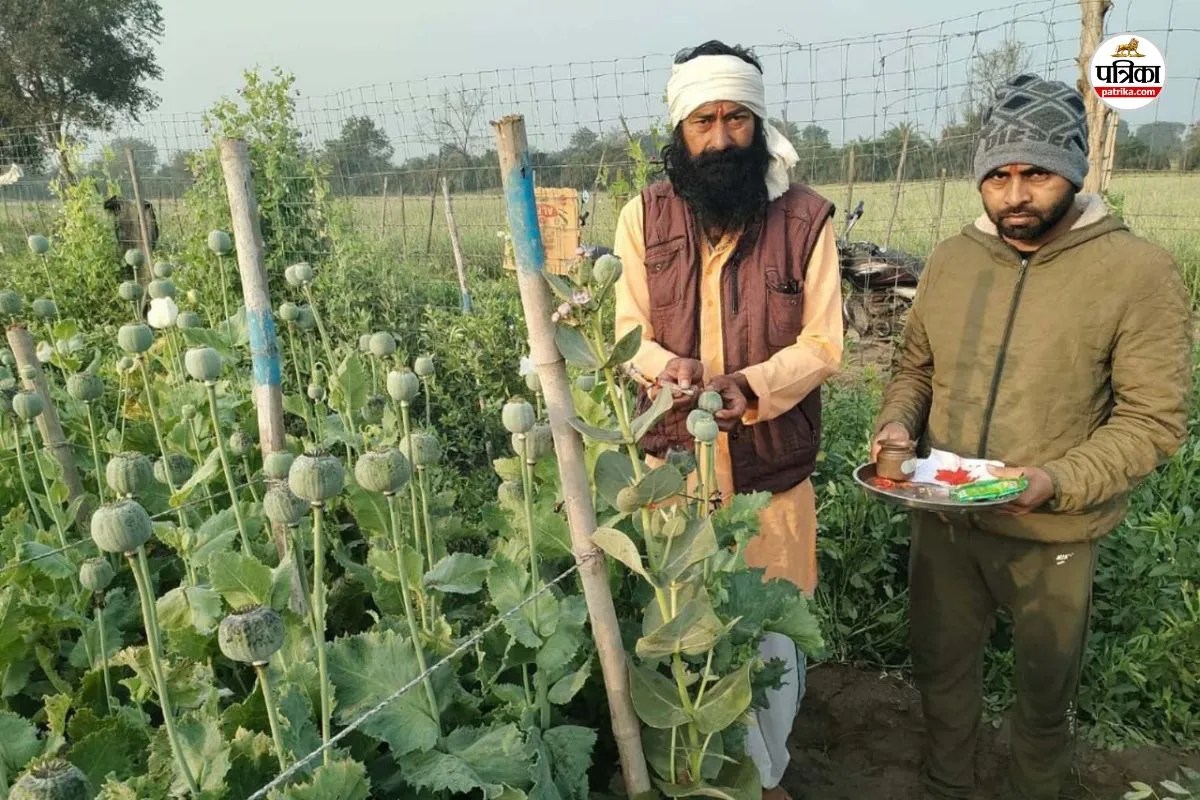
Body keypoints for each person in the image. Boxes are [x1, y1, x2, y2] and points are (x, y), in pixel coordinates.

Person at [870, 73, 1193, 800]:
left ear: (1075, 170)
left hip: (1053, 531)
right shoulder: (952, 260)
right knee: (940, 672)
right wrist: (897, 422)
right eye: (998, 176)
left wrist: (1055, 481)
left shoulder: (1137, 272)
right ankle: (947, 784)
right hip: (944, 519)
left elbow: (1153, 419)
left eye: (1036, 174)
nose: (1014, 194)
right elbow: (915, 369)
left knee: (1045, 697)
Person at [611, 40, 844, 799]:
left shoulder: (805, 218)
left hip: (770, 478)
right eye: (703, 121)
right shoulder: (642, 218)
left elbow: (824, 344)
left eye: (735, 119)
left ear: (758, 122)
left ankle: (766, 780)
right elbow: (627, 331)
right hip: (674, 478)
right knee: (684, 638)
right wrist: (665, 369)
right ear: (680, 131)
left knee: (770, 641)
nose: (720, 139)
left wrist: (754, 386)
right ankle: (706, 777)